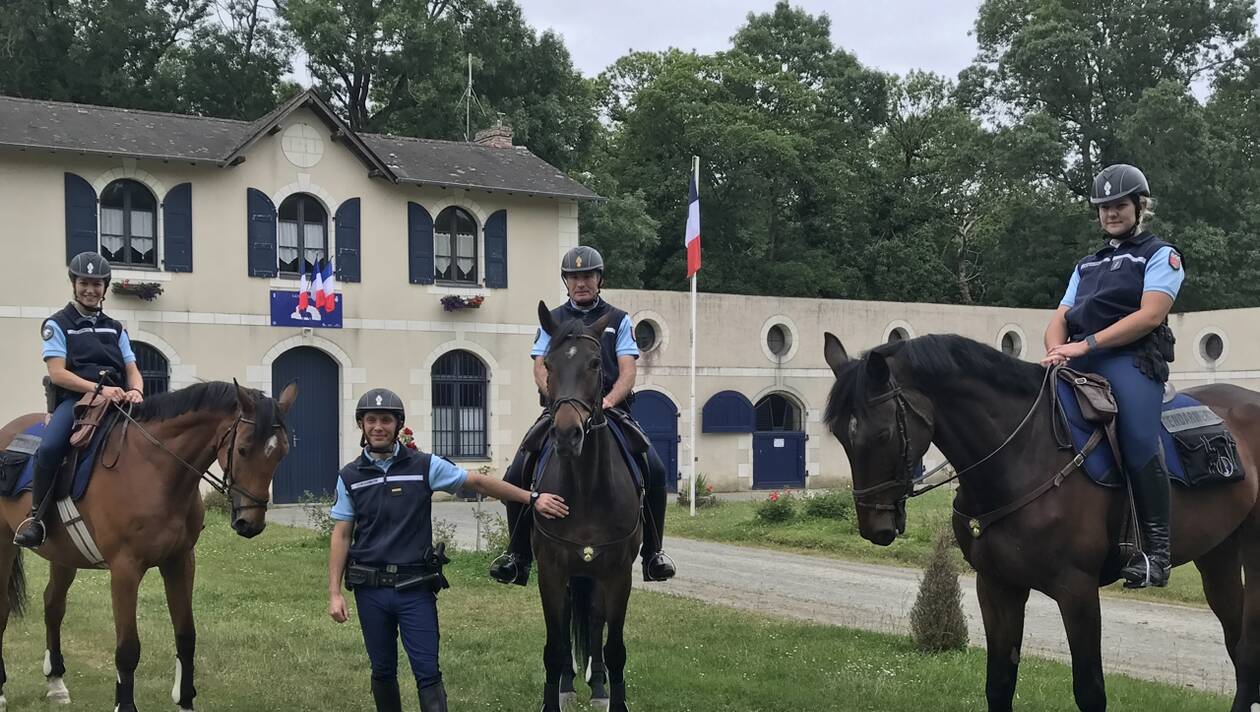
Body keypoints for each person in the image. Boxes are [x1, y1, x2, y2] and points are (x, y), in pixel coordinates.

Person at [328, 388, 568, 712]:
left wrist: (532, 498)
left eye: (386, 420)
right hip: (370, 591)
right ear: (362, 425)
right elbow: (342, 535)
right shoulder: (350, 477)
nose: (378, 427)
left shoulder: (424, 466)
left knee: (428, 673)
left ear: (398, 425)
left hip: (414, 590)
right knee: (382, 671)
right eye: (371, 420)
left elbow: (478, 483)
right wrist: (334, 593)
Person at [489, 246, 676, 586]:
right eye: (574, 277)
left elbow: (628, 370)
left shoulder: (618, 320)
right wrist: (558, 401)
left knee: (656, 468)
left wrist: (607, 401)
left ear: (599, 279)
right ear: (566, 282)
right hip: (562, 410)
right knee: (516, 471)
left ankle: (653, 552)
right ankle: (516, 555)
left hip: (608, 411)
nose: (581, 283)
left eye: (588, 276)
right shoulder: (553, 319)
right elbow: (539, 368)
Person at [1041, 163, 1184, 588]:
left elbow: (1150, 315)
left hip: (1131, 360)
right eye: (1103, 208)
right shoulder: (1087, 264)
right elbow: (1060, 317)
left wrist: (1084, 346)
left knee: (1139, 439)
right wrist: (1055, 350)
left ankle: (1157, 552)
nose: (1110, 214)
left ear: (1140, 208)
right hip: (1076, 357)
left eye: (1119, 205)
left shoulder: (1160, 254)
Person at [14, 251, 144, 548]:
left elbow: (133, 370)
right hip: (75, 403)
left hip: (119, 401)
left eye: (97, 284)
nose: (90, 289)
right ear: (74, 284)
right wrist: (98, 390)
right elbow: (58, 373)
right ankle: (37, 519)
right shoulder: (57, 324)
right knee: (48, 449)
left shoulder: (116, 327)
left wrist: (136, 390)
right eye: (84, 282)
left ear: (105, 288)